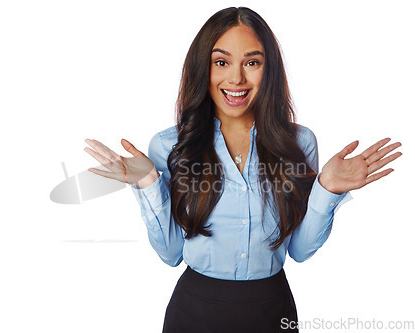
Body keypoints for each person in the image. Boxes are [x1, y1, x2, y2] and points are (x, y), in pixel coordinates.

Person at [83, 6, 402, 333]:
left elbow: (301, 251)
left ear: (269, 70)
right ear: (202, 68)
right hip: (194, 310)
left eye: (252, 62)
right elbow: (171, 254)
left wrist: (328, 189)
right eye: (221, 62)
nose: (236, 78)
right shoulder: (169, 146)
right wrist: (149, 183)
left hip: (272, 309)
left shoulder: (298, 143)